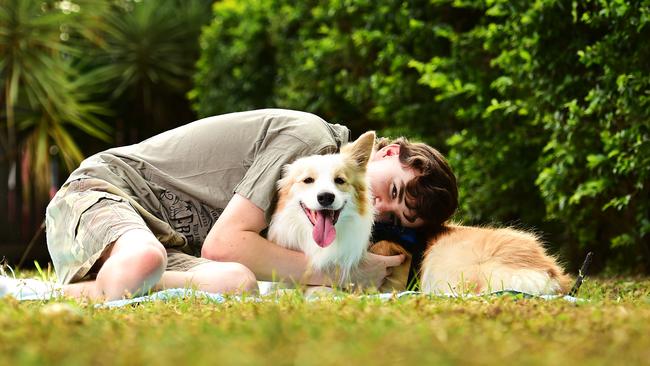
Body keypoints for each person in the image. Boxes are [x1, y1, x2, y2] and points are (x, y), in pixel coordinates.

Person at [0, 109, 458, 301]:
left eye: (397, 216)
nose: (382, 208)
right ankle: (109, 283)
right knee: (146, 257)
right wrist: (341, 273)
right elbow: (226, 242)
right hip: (106, 193)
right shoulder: (312, 143)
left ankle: (53, 295)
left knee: (238, 283)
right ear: (386, 152)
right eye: (394, 191)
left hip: (167, 239)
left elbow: (240, 262)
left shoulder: (336, 209)